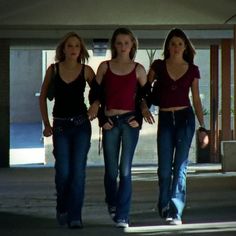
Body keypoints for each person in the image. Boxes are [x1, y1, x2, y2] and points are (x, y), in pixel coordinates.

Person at [147, 28, 209, 225]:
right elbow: (144, 90)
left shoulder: (192, 70)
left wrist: (203, 127)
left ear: (185, 47)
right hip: (165, 119)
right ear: (168, 46)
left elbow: (197, 101)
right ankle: (163, 202)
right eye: (172, 44)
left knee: (180, 166)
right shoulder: (158, 66)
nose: (175, 47)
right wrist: (142, 107)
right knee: (164, 169)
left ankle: (175, 211)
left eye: (179, 44)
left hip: (185, 119)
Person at [94, 27, 154, 228]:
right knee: (111, 170)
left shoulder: (138, 69)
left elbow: (147, 96)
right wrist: (102, 118)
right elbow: (95, 95)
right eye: (119, 43)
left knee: (125, 170)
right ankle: (112, 201)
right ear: (114, 45)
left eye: (126, 43)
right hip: (110, 122)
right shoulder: (104, 67)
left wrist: (139, 115)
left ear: (132, 45)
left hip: (130, 123)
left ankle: (122, 215)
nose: (122, 47)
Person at [39, 32, 98, 229]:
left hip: (81, 125)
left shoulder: (87, 70)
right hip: (61, 126)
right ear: (63, 49)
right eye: (70, 46)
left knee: (78, 172)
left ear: (81, 50)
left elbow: (99, 93)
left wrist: (95, 105)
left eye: (77, 46)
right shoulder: (53, 70)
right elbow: (42, 97)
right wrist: (46, 124)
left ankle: (75, 216)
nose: (73, 49)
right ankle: (62, 206)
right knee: (63, 172)